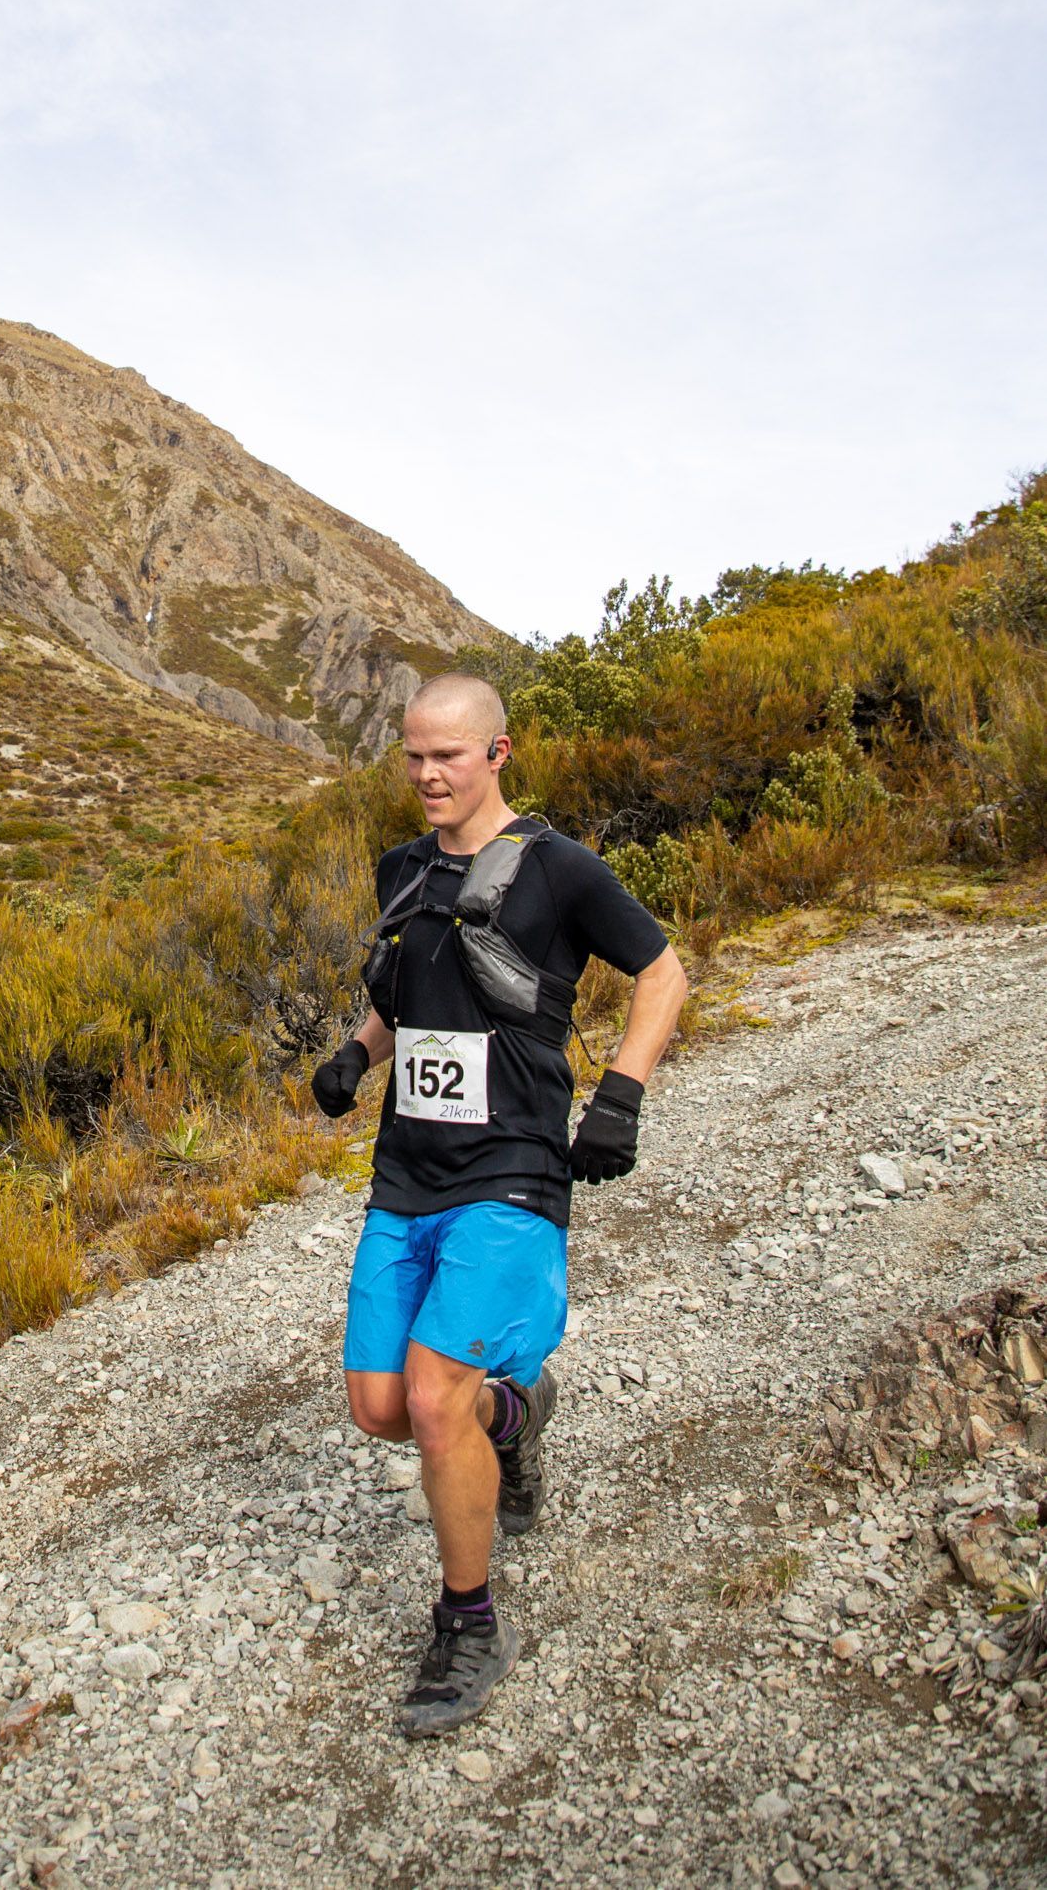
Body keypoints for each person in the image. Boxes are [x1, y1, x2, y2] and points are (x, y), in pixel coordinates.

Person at [312, 671, 687, 1737]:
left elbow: (661, 973)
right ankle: (517, 1416)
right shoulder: (400, 869)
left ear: (497, 753)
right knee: (379, 1406)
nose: (428, 775)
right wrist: (356, 1051)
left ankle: (467, 1622)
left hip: (514, 1167)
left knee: (433, 1397)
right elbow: (402, 993)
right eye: (412, 756)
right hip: (405, 1172)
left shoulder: (558, 869)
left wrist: (617, 1097)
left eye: (448, 755)